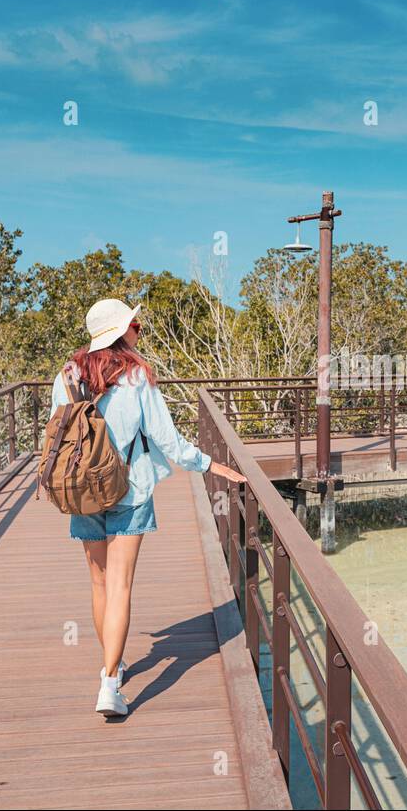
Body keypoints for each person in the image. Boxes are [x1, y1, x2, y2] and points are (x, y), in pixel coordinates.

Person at [50, 297, 245, 717]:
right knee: (120, 586)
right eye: (135, 323)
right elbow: (166, 438)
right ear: (122, 331)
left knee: (100, 585)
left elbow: (56, 434)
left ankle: (112, 664)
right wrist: (211, 465)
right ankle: (108, 685)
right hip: (130, 489)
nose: (140, 329)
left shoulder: (66, 374)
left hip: (82, 491)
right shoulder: (137, 376)